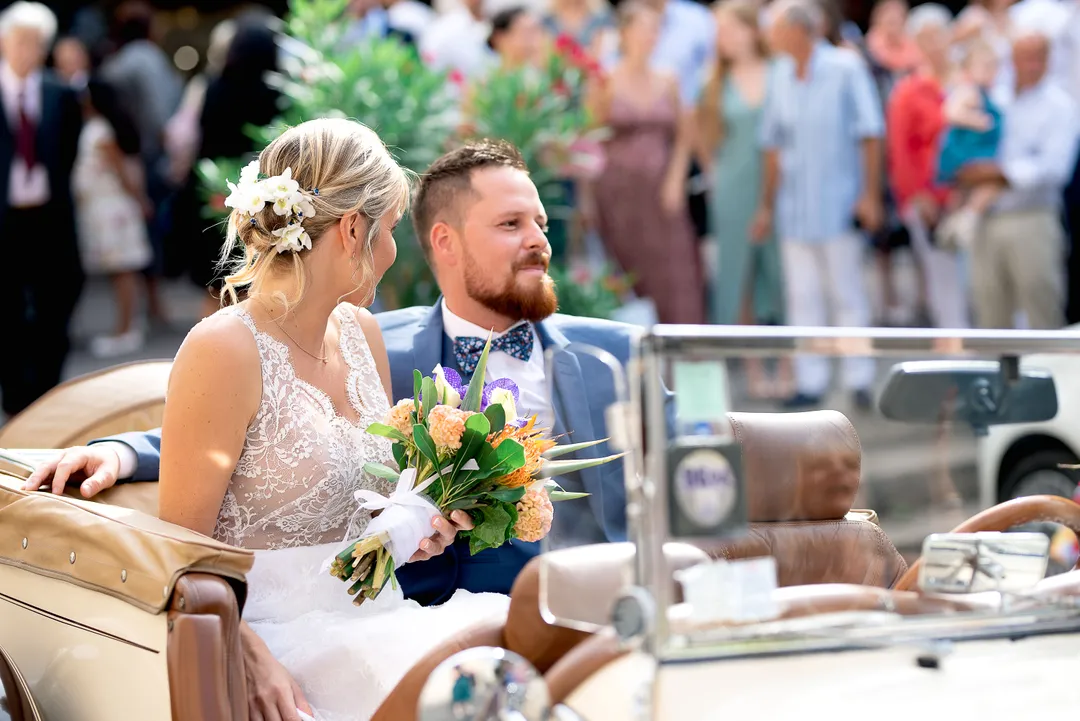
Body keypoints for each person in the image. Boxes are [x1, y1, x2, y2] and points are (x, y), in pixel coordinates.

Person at [25, 139, 639, 609]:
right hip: (342, 619)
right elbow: (237, 444)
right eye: (512, 225)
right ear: (359, 231)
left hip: (571, 608)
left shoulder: (618, 356)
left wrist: (413, 528)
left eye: (542, 224)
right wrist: (124, 451)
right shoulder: (371, 341)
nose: (540, 242)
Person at [752, 0, 884, 410]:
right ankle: (811, 380)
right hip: (796, 208)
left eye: (778, 30)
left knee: (845, 292)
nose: (773, 38)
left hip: (839, 201)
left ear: (799, 30)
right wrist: (767, 205)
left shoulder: (845, 68)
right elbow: (771, 144)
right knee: (802, 296)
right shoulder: (780, 74)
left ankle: (859, 376)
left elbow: (870, 133)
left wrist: (870, 194)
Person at [588, 0, 705, 325]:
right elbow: (590, 136)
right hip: (618, 192)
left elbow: (685, 136)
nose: (649, 37)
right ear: (624, 33)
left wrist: (676, 180)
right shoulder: (605, 79)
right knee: (628, 270)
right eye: (642, 29)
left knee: (675, 267)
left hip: (661, 188)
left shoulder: (669, 78)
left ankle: (683, 359)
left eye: (654, 31)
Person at [698, 0, 791, 397]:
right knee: (740, 277)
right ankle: (754, 368)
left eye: (731, 29)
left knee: (783, 275)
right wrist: (713, 171)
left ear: (753, 30)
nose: (725, 38)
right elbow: (701, 133)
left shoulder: (780, 72)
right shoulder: (715, 82)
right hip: (735, 187)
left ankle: (786, 363)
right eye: (720, 31)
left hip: (781, 185)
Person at [0, 2, 84, 418]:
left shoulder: (59, 93)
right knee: (8, 310)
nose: (26, 50)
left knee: (55, 304)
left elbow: (67, 153)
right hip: (6, 219)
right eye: (19, 41)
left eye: (35, 43)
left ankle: (48, 396)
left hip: (48, 217)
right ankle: (15, 398)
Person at [933, 40, 1006, 251]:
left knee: (973, 190)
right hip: (969, 151)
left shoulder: (991, 94)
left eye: (994, 66)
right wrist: (979, 121)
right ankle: (966, 219)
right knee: (988, 185)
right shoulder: (969, 91)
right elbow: (950, 113)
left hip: (981, 151)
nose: (990, 72)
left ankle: (954, 224)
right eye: (985, 66)